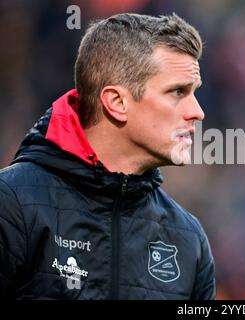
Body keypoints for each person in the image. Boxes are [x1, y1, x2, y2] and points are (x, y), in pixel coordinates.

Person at [0, 13, 215, 299]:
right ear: (116, 102)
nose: (197, 112)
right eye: (177, 91)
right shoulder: (11, 204)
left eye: (194, 92)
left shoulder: (189, 239)